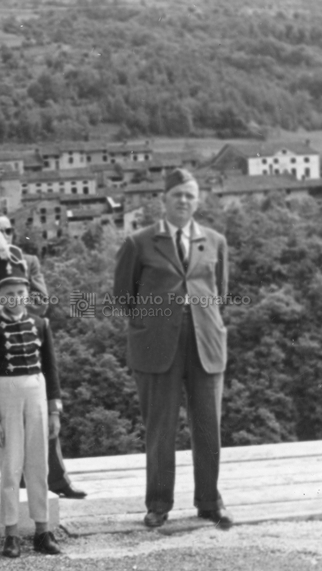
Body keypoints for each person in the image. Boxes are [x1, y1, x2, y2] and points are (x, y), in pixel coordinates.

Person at [112, 168, 233, 530]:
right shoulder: (139, 242)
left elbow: (219, 294)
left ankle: (210, 502)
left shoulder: (215, 241)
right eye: (177, 195)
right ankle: (159, 504)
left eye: (190, 195)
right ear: (163, 200)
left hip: (205, 344)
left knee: (208, 427)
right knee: (160, 429)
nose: (183, 201)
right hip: (156, 348)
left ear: (198, 201)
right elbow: (124, 296)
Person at [0, 210, 86, 500]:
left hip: (32, 347)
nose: (4, 236)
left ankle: (57, 481)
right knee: (7, 426)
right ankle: (17, 483)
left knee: (43, 419)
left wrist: (5, 307)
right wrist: (17, 304)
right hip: (0, 355)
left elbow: (42, 304)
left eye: (8, 231)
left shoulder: (29, 262)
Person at [0, 254, 63, 558]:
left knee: (39, 465)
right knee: (11, 467)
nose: (15, 298)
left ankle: (43, 530)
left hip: (37, 392)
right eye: (9, 293)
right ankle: (11, 533)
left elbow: (51, 370)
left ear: (28, 293)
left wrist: (54, 411)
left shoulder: (41, 324)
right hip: (6, 392)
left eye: (20, 292)